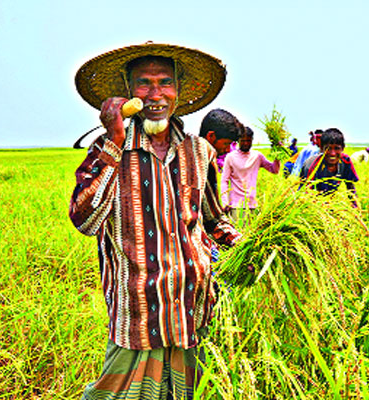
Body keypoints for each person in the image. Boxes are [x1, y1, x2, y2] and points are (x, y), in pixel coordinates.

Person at [70, 43, 242, 400]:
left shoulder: (199, 151)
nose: (155, 95)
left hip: (192, 310)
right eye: (143, 84)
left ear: (178, 90)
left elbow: (212, 220)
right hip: (138, 315)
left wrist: (244, 245)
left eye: (165, 83)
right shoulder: (107, 151)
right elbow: (85, 220)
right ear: (127, 92)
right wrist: (115, 141)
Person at [221, 126, 280, 227]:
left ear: (252, 140)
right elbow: (224, 181)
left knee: (251, 236)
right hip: (236, 206)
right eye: (243, 141)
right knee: (237, 236)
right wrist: (225, 202)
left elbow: (274, 170)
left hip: (252, 204)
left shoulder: (257, 156)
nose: (245, 143)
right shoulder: (230, 157)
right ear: (238, 141)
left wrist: (277, 154)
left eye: (248, 141)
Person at [300, 128, 359, 207]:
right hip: (309, 199)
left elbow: (351, 188)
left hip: (328, 198)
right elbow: (307, 196)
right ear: (322, 149)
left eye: (337, 148)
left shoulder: (345, 161)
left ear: (343, 148)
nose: (332, 153)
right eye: (328, 148)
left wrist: (356, 209)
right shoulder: (312, 166)